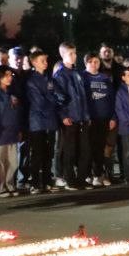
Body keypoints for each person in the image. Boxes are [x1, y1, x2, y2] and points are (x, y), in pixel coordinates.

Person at [53, 42, 91, 190]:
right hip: (69, 118)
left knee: (85, 150)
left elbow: (83, 97)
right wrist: (63, 115)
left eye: (75, 53)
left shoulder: (77, 73)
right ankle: (70, 180)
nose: (74, 56)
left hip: (82, 117)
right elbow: (58, 97)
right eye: (70, 54)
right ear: (63, 55)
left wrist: (86, 116)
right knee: (70, 151)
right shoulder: (60, 75)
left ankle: (81, 179)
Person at [24, 50, 60, 194]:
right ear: (34, 62)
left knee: (48, 152)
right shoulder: (31, 80)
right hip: (37, 121)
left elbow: (58, 95)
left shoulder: (50, 78)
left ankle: (47, 181)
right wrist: (52, 100)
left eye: (46, 60)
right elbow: (38, 102)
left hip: (50, 120)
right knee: (37, 153)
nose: (45, 63)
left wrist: (52, 99)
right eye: (42, 61)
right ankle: (35, 183)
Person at [0, 66, 24, 197]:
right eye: (7, 75)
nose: (10, 78)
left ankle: (10, 184)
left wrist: (19, 128)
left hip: (12, 131)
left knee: (13, 162)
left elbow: (18, 112)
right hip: (0, 132)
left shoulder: (12, 92)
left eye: (11, 75)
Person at [82, 52, 115, 186]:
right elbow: (82, 98)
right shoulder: (83, 77)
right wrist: (85, 116)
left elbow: (111, 98)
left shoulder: (104, 78)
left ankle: (98, 174)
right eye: (91, 62)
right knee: (89, 147)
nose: (94, 64)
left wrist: (113, 117)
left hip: (104, 117)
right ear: (86, 63)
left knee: (101, 147)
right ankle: (88, 174)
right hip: (90, 118)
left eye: (96, 62)